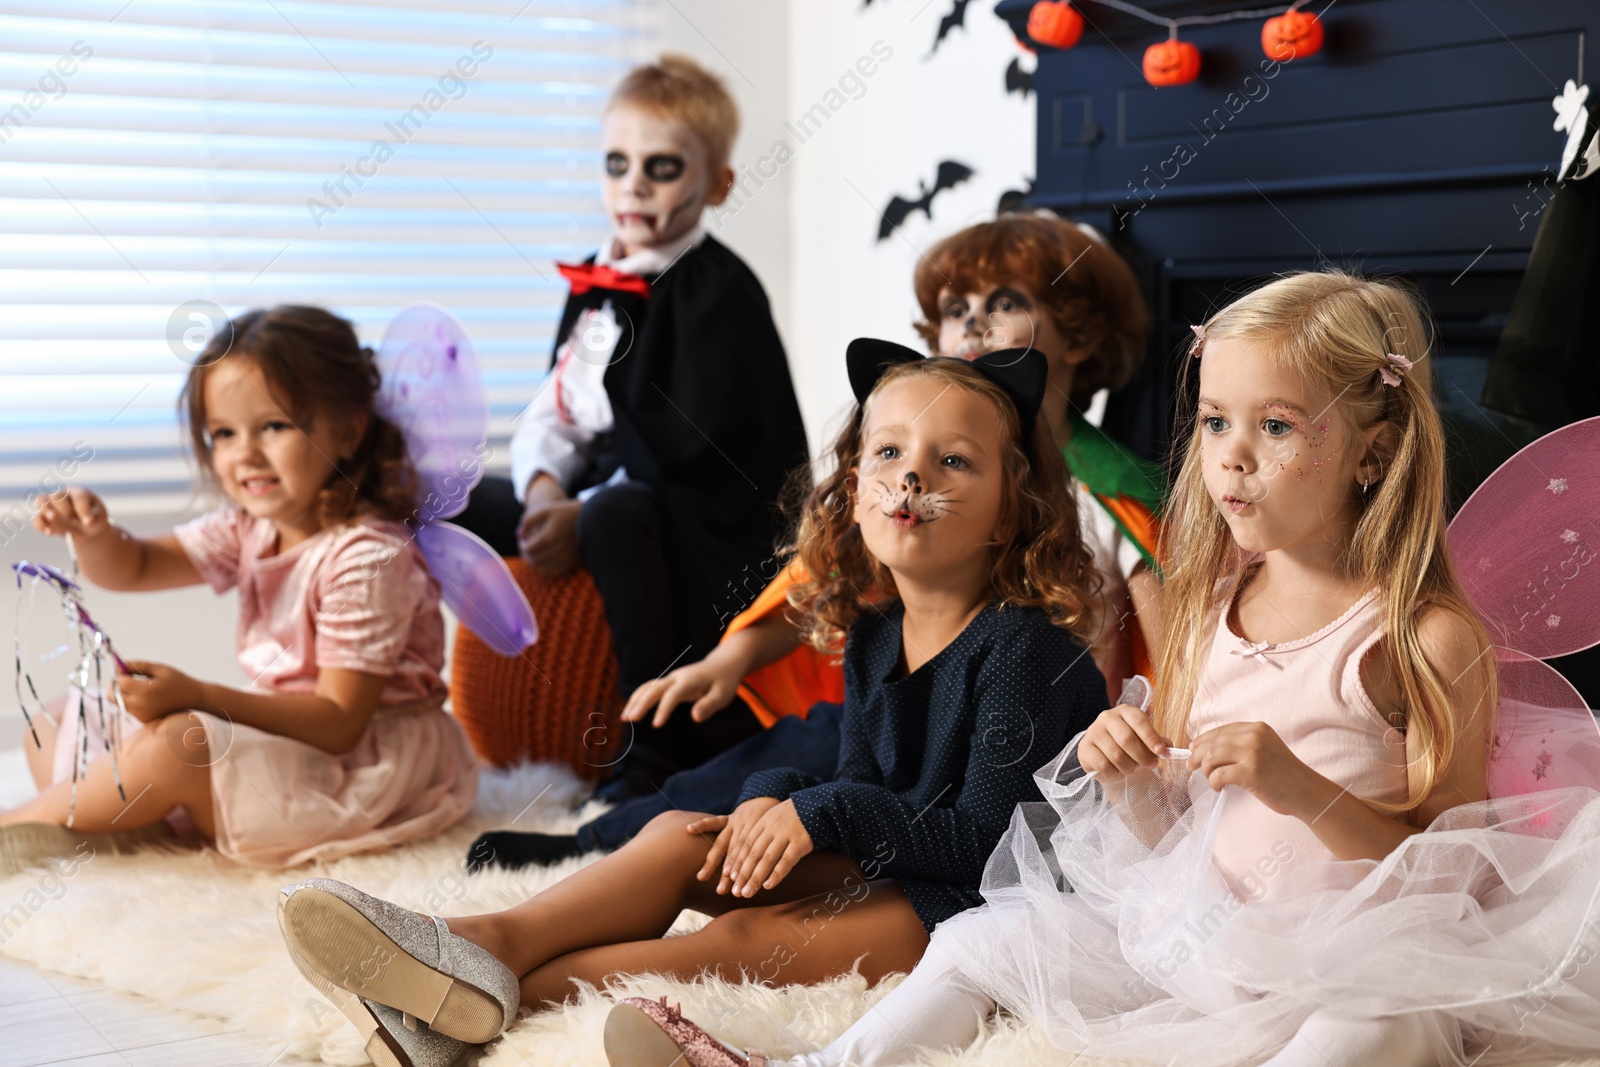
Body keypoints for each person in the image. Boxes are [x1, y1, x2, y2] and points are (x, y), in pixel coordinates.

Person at [608, 269, 1600, 1067]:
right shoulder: (1214, 610)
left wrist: (1296, 786)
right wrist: (1136, 783)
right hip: (1208, 930)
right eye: (1214, 422)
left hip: (1360, 955)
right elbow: (1180, 823)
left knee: (1373, 1033)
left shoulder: (1423, 637)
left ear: (1372, 453)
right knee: (983, 939)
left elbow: (1457, 871)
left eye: (1277, 425)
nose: (1231, 459)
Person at [275, 344, 1110, 1065]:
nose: (912, 476)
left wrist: (825, 812)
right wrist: (770, 801)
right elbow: (860, 777)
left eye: (953, 460)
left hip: (980, 908)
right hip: (901, 868)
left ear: (1011, 513)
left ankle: (476, 998)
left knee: (732, 943)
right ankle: (485, 942)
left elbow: (988, 847)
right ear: (855, 487)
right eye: (888, 451)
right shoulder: (874, 634)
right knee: (682, 835)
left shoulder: (1023, 649)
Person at [470, 212, 1165, 871]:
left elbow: (1177, 645)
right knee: (769, 759)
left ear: (1077, 337)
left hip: (1010, 742)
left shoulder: (1108, 493)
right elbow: (832, 573)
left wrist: (1162, 747)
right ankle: (602, 841)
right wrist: (733, 658)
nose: (974, 321)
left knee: (838, 789)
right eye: (956, 308)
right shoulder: (912, 470)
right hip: (903, 721)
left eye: (1003, 301)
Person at [4, 306, 477, 872]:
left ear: (348, 432)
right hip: (288, 737)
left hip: (361, 762)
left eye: (276, 426)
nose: (245, 454)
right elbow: (131, 567)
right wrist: (96, 533)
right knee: (54, 721)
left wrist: (199, 697)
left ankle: (25, 824)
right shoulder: (250, 527)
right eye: (224, 434)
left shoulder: (368, 556)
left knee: (181, 739)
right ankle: (112, 820)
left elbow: (340, 722)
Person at [451, 53, 808, 790]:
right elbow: (560, 406)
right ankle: (434, 710)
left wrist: (579, 509)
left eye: (663, 166)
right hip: (610, 484)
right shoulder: (598, 277)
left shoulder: (717, 292)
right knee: (456, 496)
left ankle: (656, 742)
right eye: (617, 163)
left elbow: (693, 448)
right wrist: (547, 487)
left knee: (614, 513)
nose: (633, 185)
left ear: (716, 184)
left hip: (711, 516)